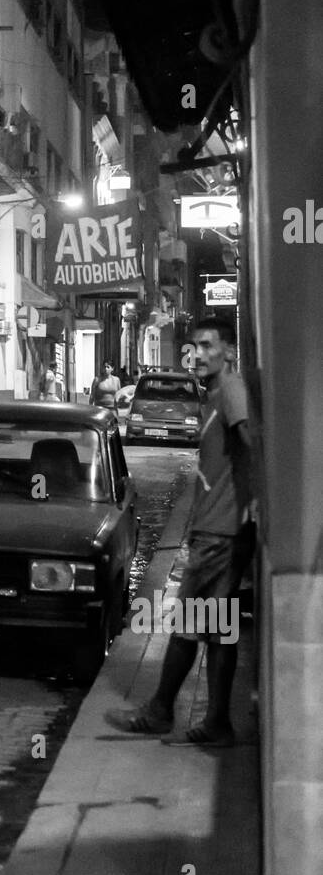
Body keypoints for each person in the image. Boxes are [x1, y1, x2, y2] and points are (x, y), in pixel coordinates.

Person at [107, 316, 255, 747]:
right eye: (193, 346)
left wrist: (257, 504)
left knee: (189, 624)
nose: (198, 354)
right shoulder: (215, 394)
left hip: (221, 534)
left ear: (228, 350)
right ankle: (217, 723)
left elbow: (251, 443)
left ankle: (159, 712)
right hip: (220, 531)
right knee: (219, 629)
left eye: (208, 346)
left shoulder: (230, 391)